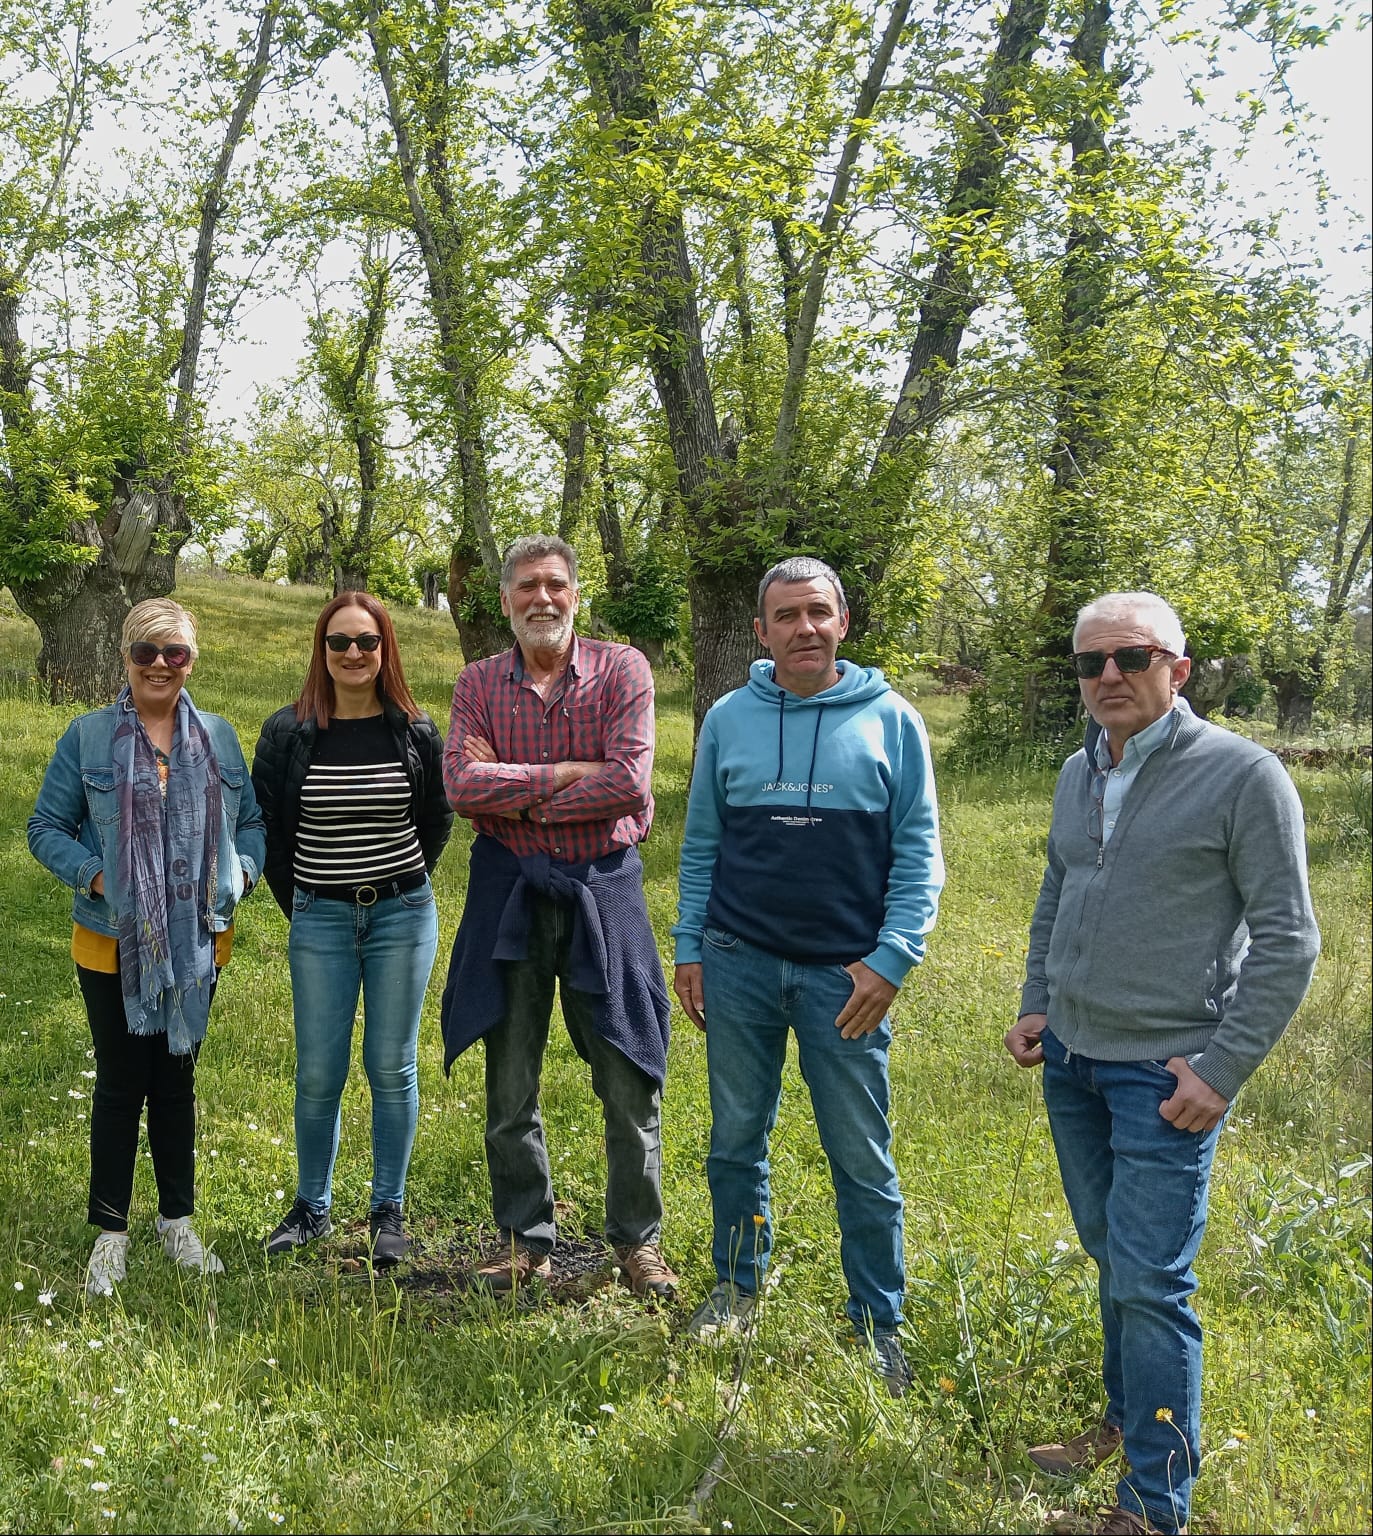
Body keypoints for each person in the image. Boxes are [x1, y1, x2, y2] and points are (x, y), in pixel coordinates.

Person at [1004, 592, 1320, 1536]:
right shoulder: (1077, 770)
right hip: (1072, 1060)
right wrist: (1036, 1002)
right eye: (1090, 663)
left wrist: (1218, 1072)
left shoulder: (1242, 776)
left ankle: (1151, 1508)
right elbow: (1056, 890)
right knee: (1114, 1260)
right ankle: (1121, 1418)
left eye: (1131, 658)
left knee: (1150, 1280)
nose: (1108, 677)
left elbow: (1289, 941)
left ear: (1177, 671)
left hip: (1166, 1078)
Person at [671, 555, 944, 1397]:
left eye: (817, 613)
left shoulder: (893, 720)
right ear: (760, 632)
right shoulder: (727, 717)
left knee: (860, 1157)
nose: (804, 630)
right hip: (738, 960)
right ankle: (737, 1286)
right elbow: (702, 842)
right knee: (733, 1141)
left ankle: (878, 1323)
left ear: (843, 622)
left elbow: (918, 855)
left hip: (847, 981)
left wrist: (892, 961)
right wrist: (689, 944)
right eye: (785, 616)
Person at [439, 534, 676, 1299]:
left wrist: (520, 791)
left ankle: (638, 1243)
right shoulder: (477, 683)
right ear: (504, 598)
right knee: (509, 1079)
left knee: (626, 1071)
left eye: (555, 585)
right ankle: (521, 1238)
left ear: (576, 594)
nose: (541, 599)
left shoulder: (622, 668)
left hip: (601, 888)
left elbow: (629, 785)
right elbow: (460, 787)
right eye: (526, 587)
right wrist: (571, 773)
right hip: (507, 892)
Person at [28, 598, 265, 1298]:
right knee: (120, 1083)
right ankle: (111, 1233)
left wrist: (240, 874)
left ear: (192, 660)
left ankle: (176, 1223)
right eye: (146, 653)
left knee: (175, 1083)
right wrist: (96, 874)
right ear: (125, 658)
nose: (161, 665)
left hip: (198, 943)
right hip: (111, 942)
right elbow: (46, 826)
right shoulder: (88, 737)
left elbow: (251, 822)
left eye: (176, 654)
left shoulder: (220, 738)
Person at [252, 591, 453, 1268]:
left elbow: (436, 820)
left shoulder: (416, 731)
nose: (352, 654)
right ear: (321, 651)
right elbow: (268, 831)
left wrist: (400, 887)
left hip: (402, 914)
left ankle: (387, 1210)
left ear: (384, 648)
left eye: (366, 642)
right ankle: (312, 1207)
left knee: (391, 1066)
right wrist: (306, 904)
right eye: (338, 642)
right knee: (318, 1072)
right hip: (320, 917)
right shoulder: (288, 732)